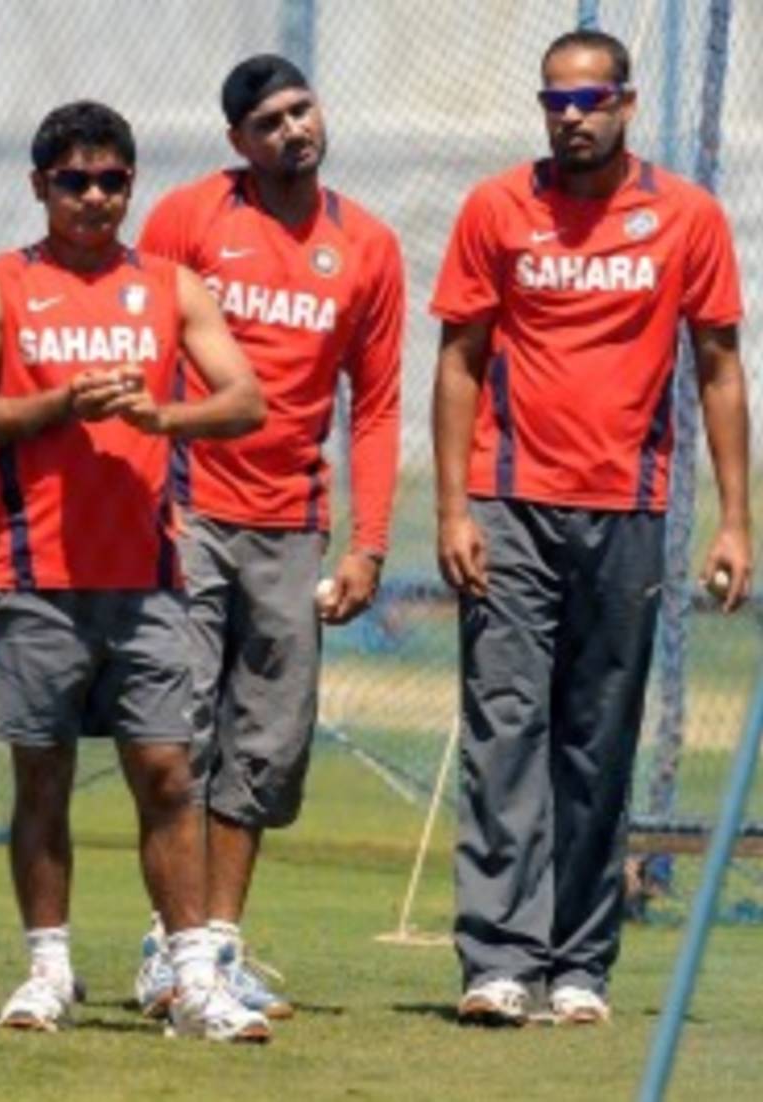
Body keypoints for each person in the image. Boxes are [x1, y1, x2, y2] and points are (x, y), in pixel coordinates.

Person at [431, 28, 751, 1027]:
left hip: (629, 509)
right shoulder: (495, 208)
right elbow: (457, 359)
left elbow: (716, 367)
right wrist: (450, 507)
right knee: (503, 729)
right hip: (509, 505)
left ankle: (577, 964)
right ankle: (497, 957)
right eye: (555, 103)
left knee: (594, 738)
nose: (572, 118)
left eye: (591, 100)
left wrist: (735, 519)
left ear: (625, 102)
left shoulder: (685, 216)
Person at [0, 100, 270, 1041]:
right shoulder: (0, 285)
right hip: (34, 573)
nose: (94, 197)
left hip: (151, 576)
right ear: (40, 186)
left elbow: (244, 398)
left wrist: (167, 420)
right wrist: (56, 405)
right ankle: (48, 969)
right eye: (74, 181)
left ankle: (195, 976)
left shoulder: (169, 285)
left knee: (167, 775)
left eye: (112, 180)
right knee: (41, 779)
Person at [131, 55, 404, 1019]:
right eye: (269, 121)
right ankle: (175, 951)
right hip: (189, 512)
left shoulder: (365, 245)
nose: (293, 129)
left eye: (302, 110)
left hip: (292, 525)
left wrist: (368, 543)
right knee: (180, 738)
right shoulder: (187, 219)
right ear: (239, 142)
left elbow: (373, 407)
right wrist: (145, 498)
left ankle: (223, 949)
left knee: (267, 750)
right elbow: (144, 356)